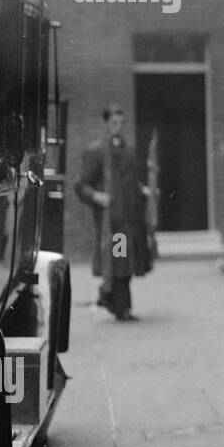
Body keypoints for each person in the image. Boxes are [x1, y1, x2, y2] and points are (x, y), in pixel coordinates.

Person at [75, 105, 152, 320]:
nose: (118, 127)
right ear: (106, 125)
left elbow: (130, 182)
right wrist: (97, 196)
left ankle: (110, 297)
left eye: (121, 123)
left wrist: (142, 190)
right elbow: (81, 185)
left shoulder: (128, 151)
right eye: (114, 123)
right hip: (114, 222)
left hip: (131, 219)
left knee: (129, 263)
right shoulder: (98, 152)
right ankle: (119, 306)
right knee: (120, 263)